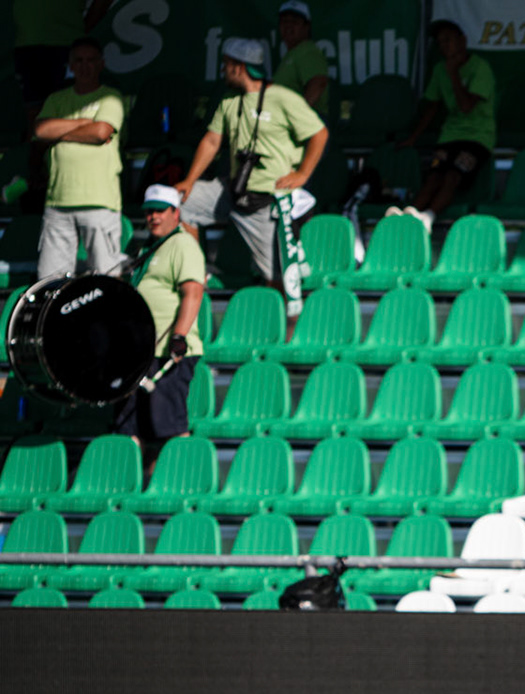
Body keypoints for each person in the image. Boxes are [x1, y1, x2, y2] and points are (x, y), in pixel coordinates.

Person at [175, 36, 328, 316]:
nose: (223, 70)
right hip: (234, 190)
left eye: (226, 64)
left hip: (266, 199)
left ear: (239, 66)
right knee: (182, 202)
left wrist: (303, 173)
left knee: (277, 278)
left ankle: (284, 329)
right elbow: (212, 140)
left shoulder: (282, 97)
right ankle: (196, 273)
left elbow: (319, 133)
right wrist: (189, 180)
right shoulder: (229, 100)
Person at [115, 186, 205, 469]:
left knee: (170, 426)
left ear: (175, 213)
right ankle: (135, 485)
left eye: (159, 210)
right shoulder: (148, 247)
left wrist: (179, 337)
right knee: (131, 425)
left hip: (168, 352)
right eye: (149, 211)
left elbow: (193, 293)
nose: (153, 217)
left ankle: (181, 483)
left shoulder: (183, 244)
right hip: (141, 351)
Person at [34, 36, 125, 279]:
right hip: (58, 202)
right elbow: (41, 130)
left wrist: (59, 133)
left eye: (91, 60)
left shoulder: (111, 97)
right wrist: (84, 123)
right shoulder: (56, 100)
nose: (85, 66)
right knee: (50, 283)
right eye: (79, 60)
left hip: (100, 201)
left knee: (106, 279)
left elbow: (101, 132)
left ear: (101, 64)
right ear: (71, 65)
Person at [394, 19, 497, 229]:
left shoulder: (480, 67)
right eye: (440, 43)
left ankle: (428, 217)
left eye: (448, 40)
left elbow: (466, 106)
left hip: (477, 138)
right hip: (449, 136)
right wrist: (413, 138)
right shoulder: (440, 69)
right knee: (434, 176)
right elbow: (432, 107)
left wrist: (453, 73)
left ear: (463, 41)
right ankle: (406, 221)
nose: (444, 47)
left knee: (452, 175)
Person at [14, 0, 109, 113]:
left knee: (73, 109)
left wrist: (82, 31)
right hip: (27, 45)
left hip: (67, 44)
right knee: (34, 110)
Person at [273, 1, 331, 112]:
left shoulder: (308, 51)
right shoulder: (292, 54)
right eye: (284, 21)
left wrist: (299, 114)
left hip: (307, 120)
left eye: (294, 22)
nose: (288, 26)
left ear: (306, 26)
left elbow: (318, 83)